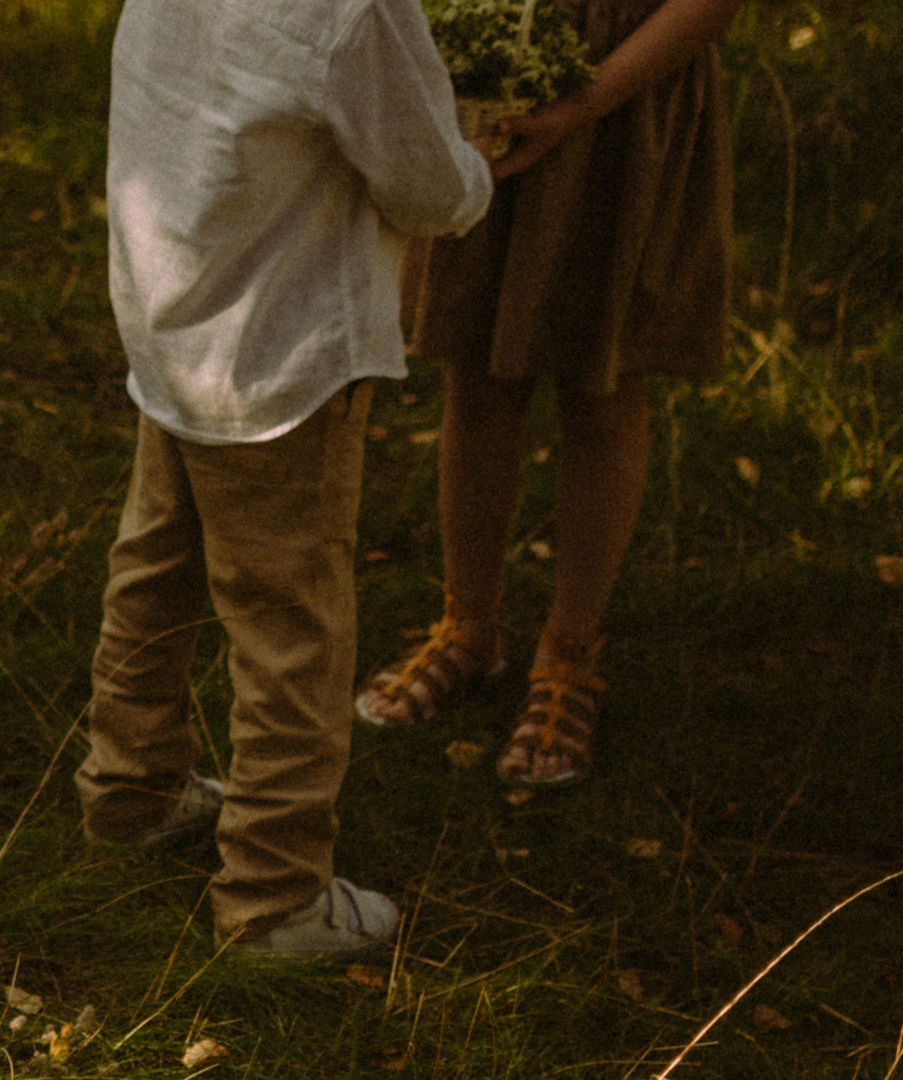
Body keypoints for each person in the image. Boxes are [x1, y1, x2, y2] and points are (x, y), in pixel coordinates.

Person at [77, 0, 494, 959]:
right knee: (291, 626)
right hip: (281, 354)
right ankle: (273, 894)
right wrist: (478, 166)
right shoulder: (357, 9)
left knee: (157, 567)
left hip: (173, 313)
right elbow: (428, 189)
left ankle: (129, 790)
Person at [355, 0, 741, 786]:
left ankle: (568, 657)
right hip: (501, 75)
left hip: (626, 99)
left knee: (602, 385)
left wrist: (588, 97)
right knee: (479, 368)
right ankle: (468, 629)